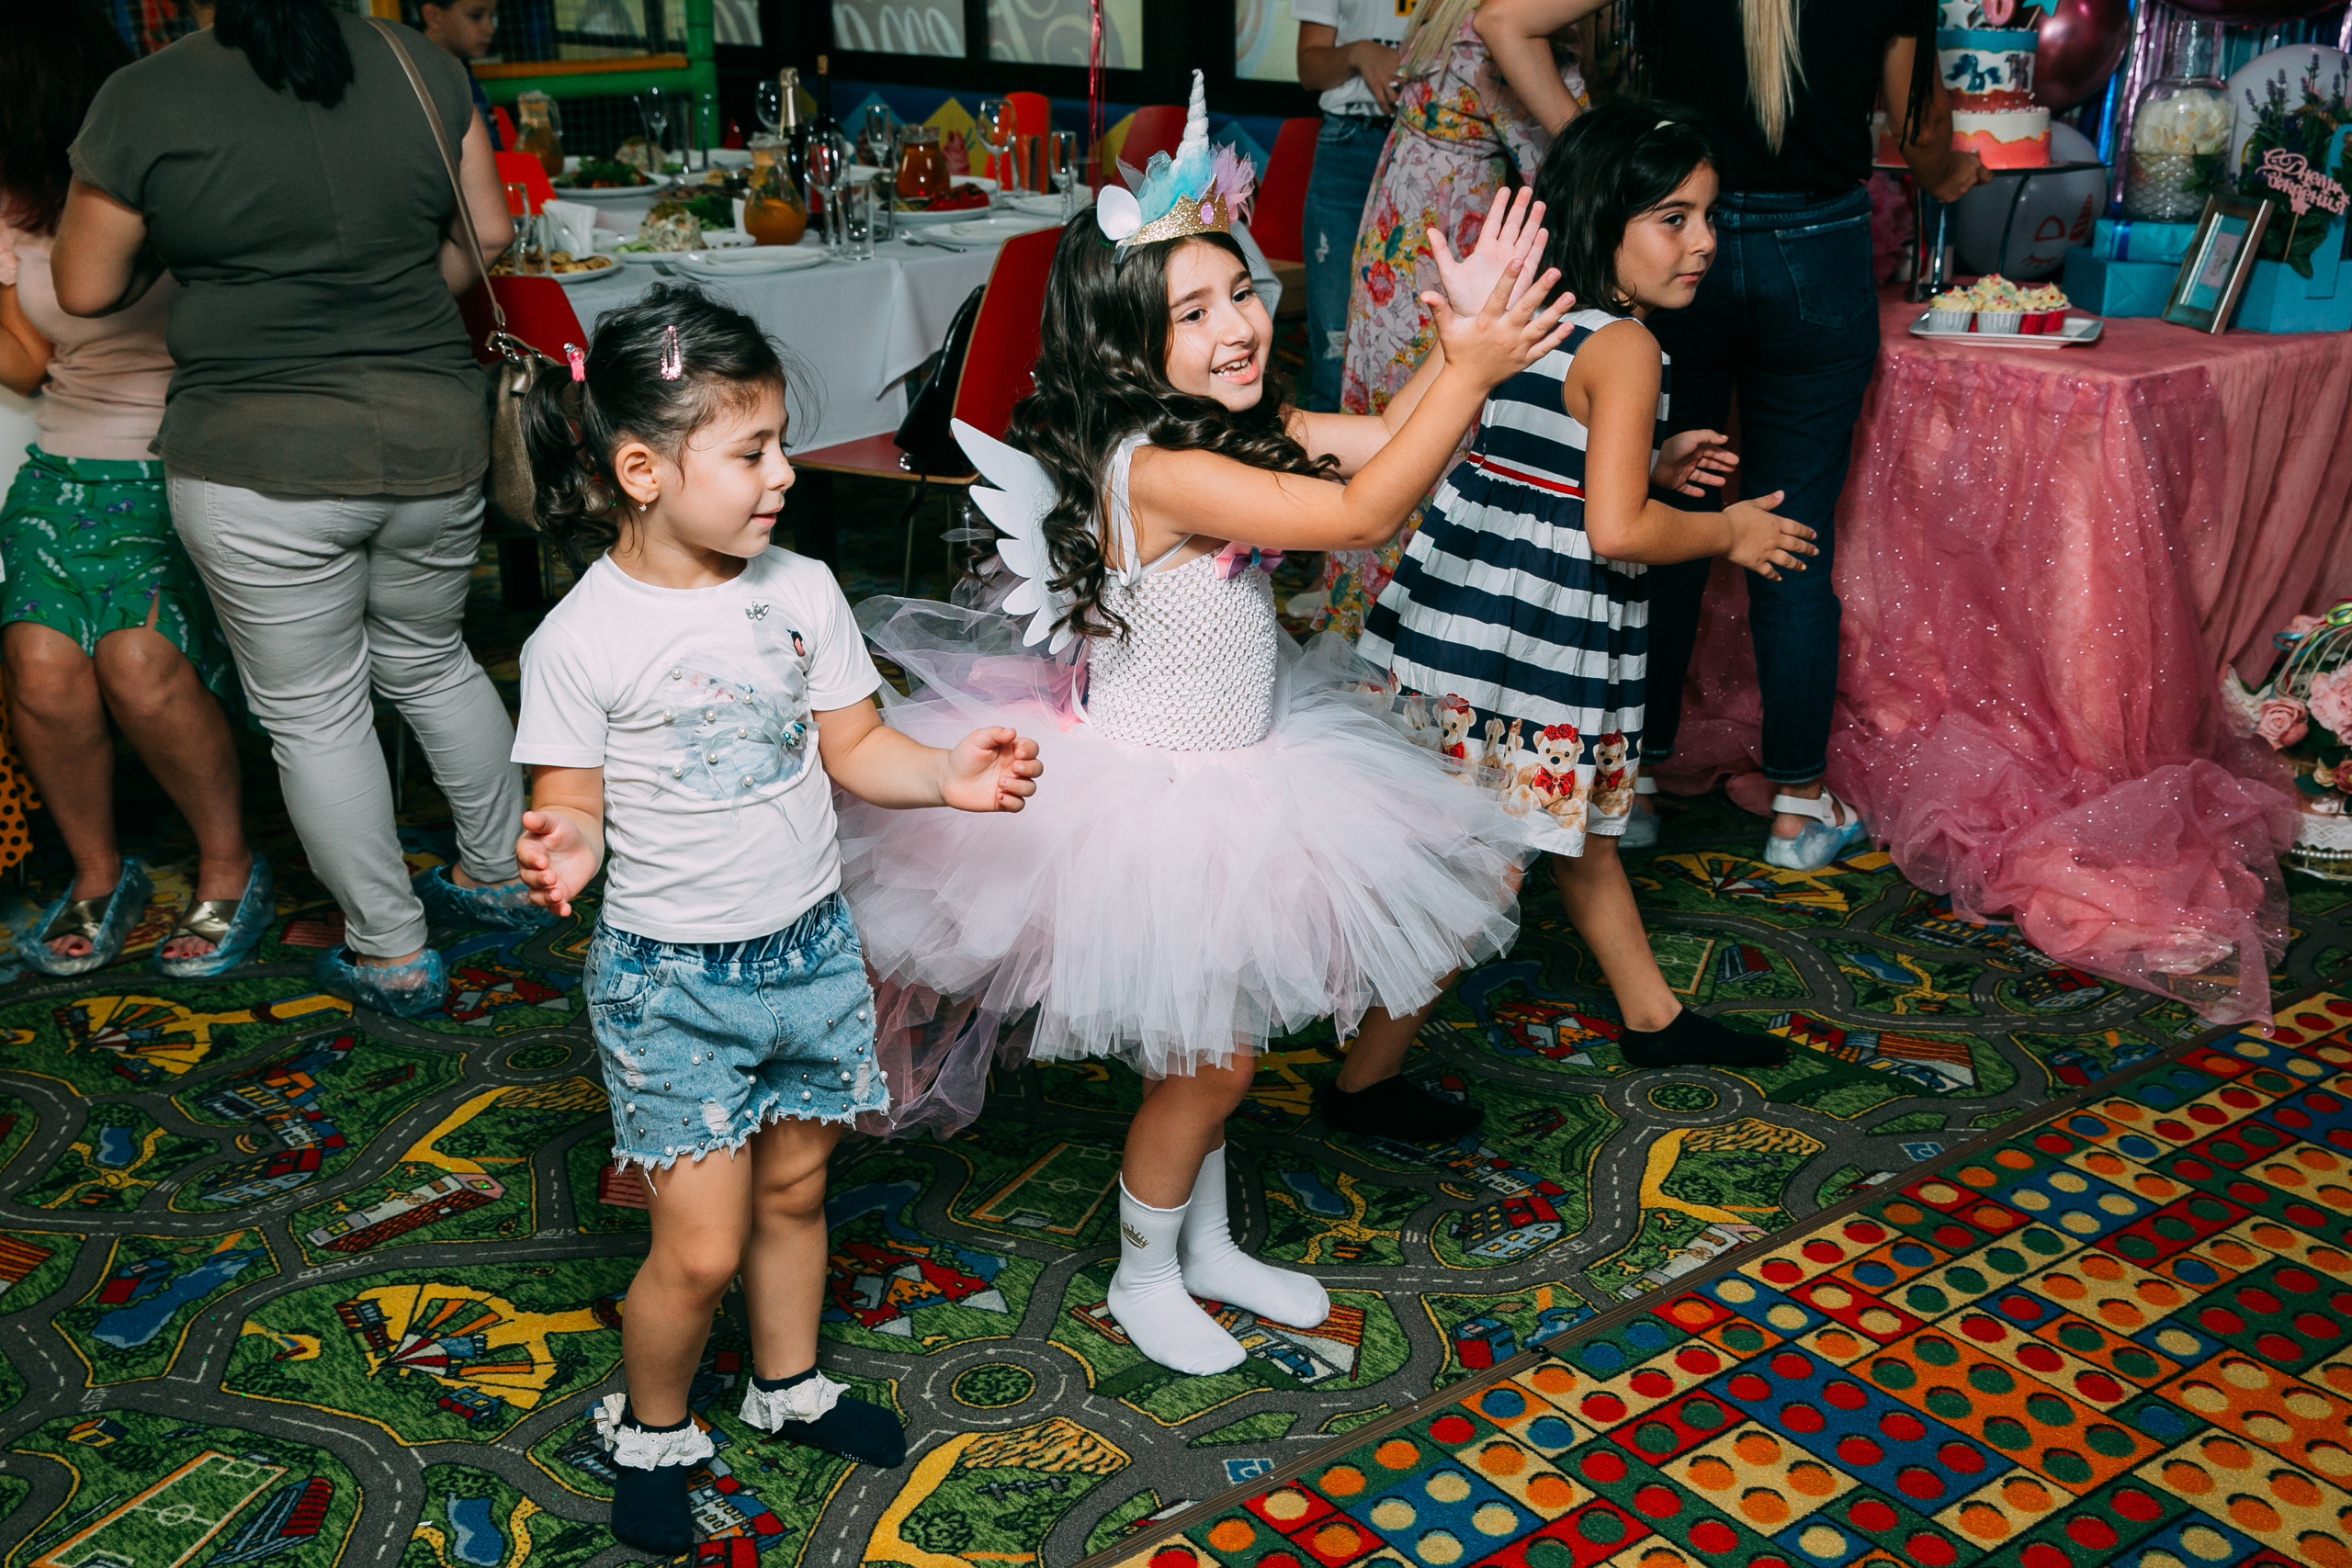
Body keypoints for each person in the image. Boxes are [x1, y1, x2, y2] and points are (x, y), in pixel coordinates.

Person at [834, 78, 1576, 1375]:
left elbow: (1386, 445)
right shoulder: (1157, 464)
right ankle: (1140, 1270)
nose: (1238, 322)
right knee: (1214, 1062)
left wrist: (1455, 352)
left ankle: (1208, 1246)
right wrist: (1465, 370)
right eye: (1194, 310)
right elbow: (1357, 516)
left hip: (1250, 772)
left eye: (1240, 289)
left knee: (1212, 1029)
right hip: (1154, 801)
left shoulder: (1233, 428)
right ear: (1127, 344)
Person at [507, 287, 1039, 1552]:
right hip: (670, 980)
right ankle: (650, 1425)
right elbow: (570, 795)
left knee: (799, 1189)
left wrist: (946, 772)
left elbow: (856, 745)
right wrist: (567, 840)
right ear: (642, 469)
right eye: (750, 452)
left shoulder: (799, 589)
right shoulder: (580, 639)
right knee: (696, 1249)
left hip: (808, 951)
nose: (783, 474)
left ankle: (789, 1383)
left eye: (779, 442)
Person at [55, 0, 532, 1016]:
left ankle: (393, 951)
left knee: (318, 714)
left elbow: (86, 286)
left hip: (255, 457)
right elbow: (487, 234)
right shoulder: (416, 61)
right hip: (430, 434)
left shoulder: (145, 95)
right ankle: (502, 882)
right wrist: (385, 287)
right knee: (433, 659)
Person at [1360, 100, 1815, 1068]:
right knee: (1483, 870)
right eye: (1673, 219)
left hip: (1460, 621)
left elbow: (1542, 461)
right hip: (1529, 647)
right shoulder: (1629, 347)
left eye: (1708, 216)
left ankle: (1652, 1017)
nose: (1703, 243)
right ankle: (1364, 1076)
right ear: (1606, 217)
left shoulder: (1536, 315)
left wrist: (1645, 462)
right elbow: (1618, 531)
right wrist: (1726, 529)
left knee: (1577, 836)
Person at [1476, 0, 1986, 861]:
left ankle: (1628, 787)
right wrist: (1953, 175)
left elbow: (1501, 21)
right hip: (1818, 247)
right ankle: (1797, 806)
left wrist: (1628, 183)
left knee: (1655, 511)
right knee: (1793, 531)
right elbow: (1921, 134)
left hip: (1677, 239)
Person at [0, 0, 265, 979]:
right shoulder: (10, 200)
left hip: (180, 466)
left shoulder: (169, 169)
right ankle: (99, 873)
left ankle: (228, 866)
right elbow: (28, 367)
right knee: (37, 663)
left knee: (136, 662)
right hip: (63, 475)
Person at [1314, 0, 1587, 640]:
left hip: (1396, 243)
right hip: (1447, 255)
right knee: (1434, 437)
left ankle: (1361, 616)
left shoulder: (1443, 10)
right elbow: (1569, 162)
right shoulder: (1509, 30)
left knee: (1386, 420)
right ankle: (1411, 632)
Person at [1294, 0, 1411, 413]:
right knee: (1333, 349)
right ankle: (1324, 477)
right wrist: (1359, 52)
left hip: (1434, 151)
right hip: (1348, 143)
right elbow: (1309, 68)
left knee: (1419, 340)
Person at [406, 0, 502, 150]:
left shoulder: (460, 71)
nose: (490, 29)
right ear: (434, 16)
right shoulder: (420, 85)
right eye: (476, 16)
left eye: (492, 16)